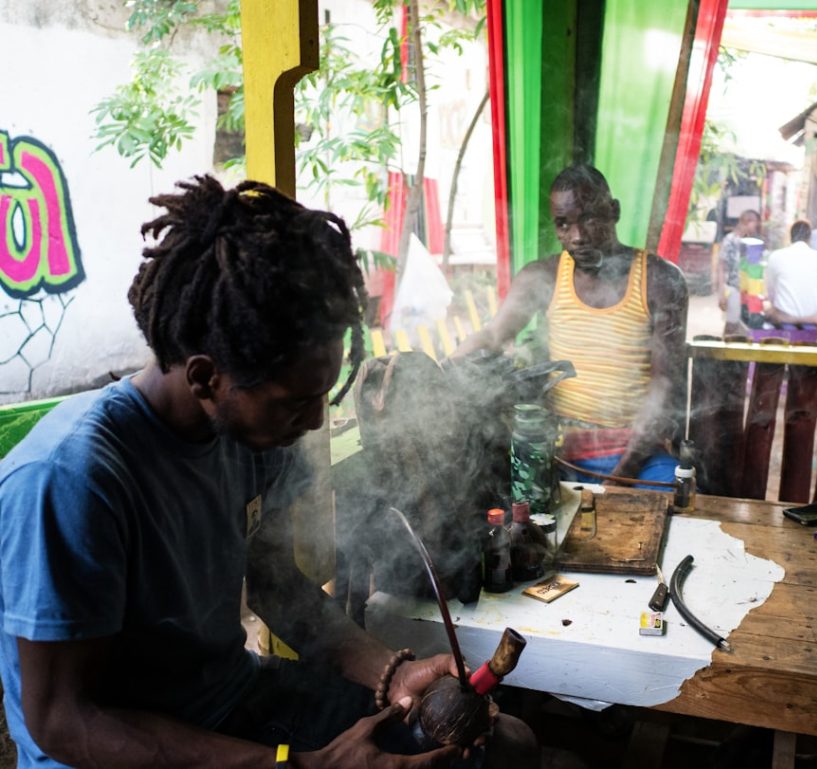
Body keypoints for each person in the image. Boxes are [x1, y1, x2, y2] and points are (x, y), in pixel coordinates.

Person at [0, 176, 537, 769]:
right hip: (121, 752)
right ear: (206, 378)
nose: (311, 424)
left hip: (232, 702)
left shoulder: (251, 435)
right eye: (293, 403)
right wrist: (300, 766)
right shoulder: (73, 479)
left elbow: (276, 584)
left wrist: (393, 672)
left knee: (504, 746)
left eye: (323, 396)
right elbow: (62, 720)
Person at [455, 165, 688, 486]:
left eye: (589, 219)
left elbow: (666, 385)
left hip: (638, 452)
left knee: (669, 502)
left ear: (614, 211)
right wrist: (441, 369)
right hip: (558, 449)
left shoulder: (661, 280)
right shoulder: (543, 276)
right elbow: (494, 335)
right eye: (564, 224)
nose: (577, 237)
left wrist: (624, 474)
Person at [763, 220, 817, 344]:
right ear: (809, 237)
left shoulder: (776, 256)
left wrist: (778, 306)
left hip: (784, 316)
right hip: (813, 317)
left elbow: (771, 292)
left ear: (791, 236)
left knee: (768, 310)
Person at [717, 210, 760, 337]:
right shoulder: (730, 240)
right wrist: (721, 293)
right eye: (754, 224)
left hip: (749, 291)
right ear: (747, 222)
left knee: (744, 328)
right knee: (731, 325)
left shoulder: (751, 242)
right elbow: (721, 267)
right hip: (733, 288)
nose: (756, 228)